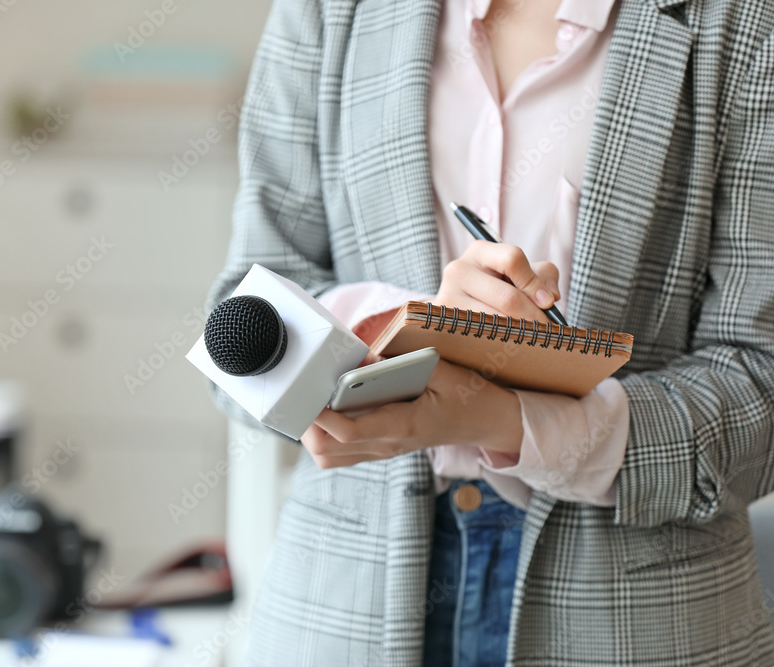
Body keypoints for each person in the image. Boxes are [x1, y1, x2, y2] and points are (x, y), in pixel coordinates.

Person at [204, 0, 774, 664]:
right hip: (344, 607)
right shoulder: (331, 9)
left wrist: (504, 421)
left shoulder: (744, 22)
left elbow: (761, 386)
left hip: (638, 621)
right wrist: (411, 327)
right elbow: (241, 325)